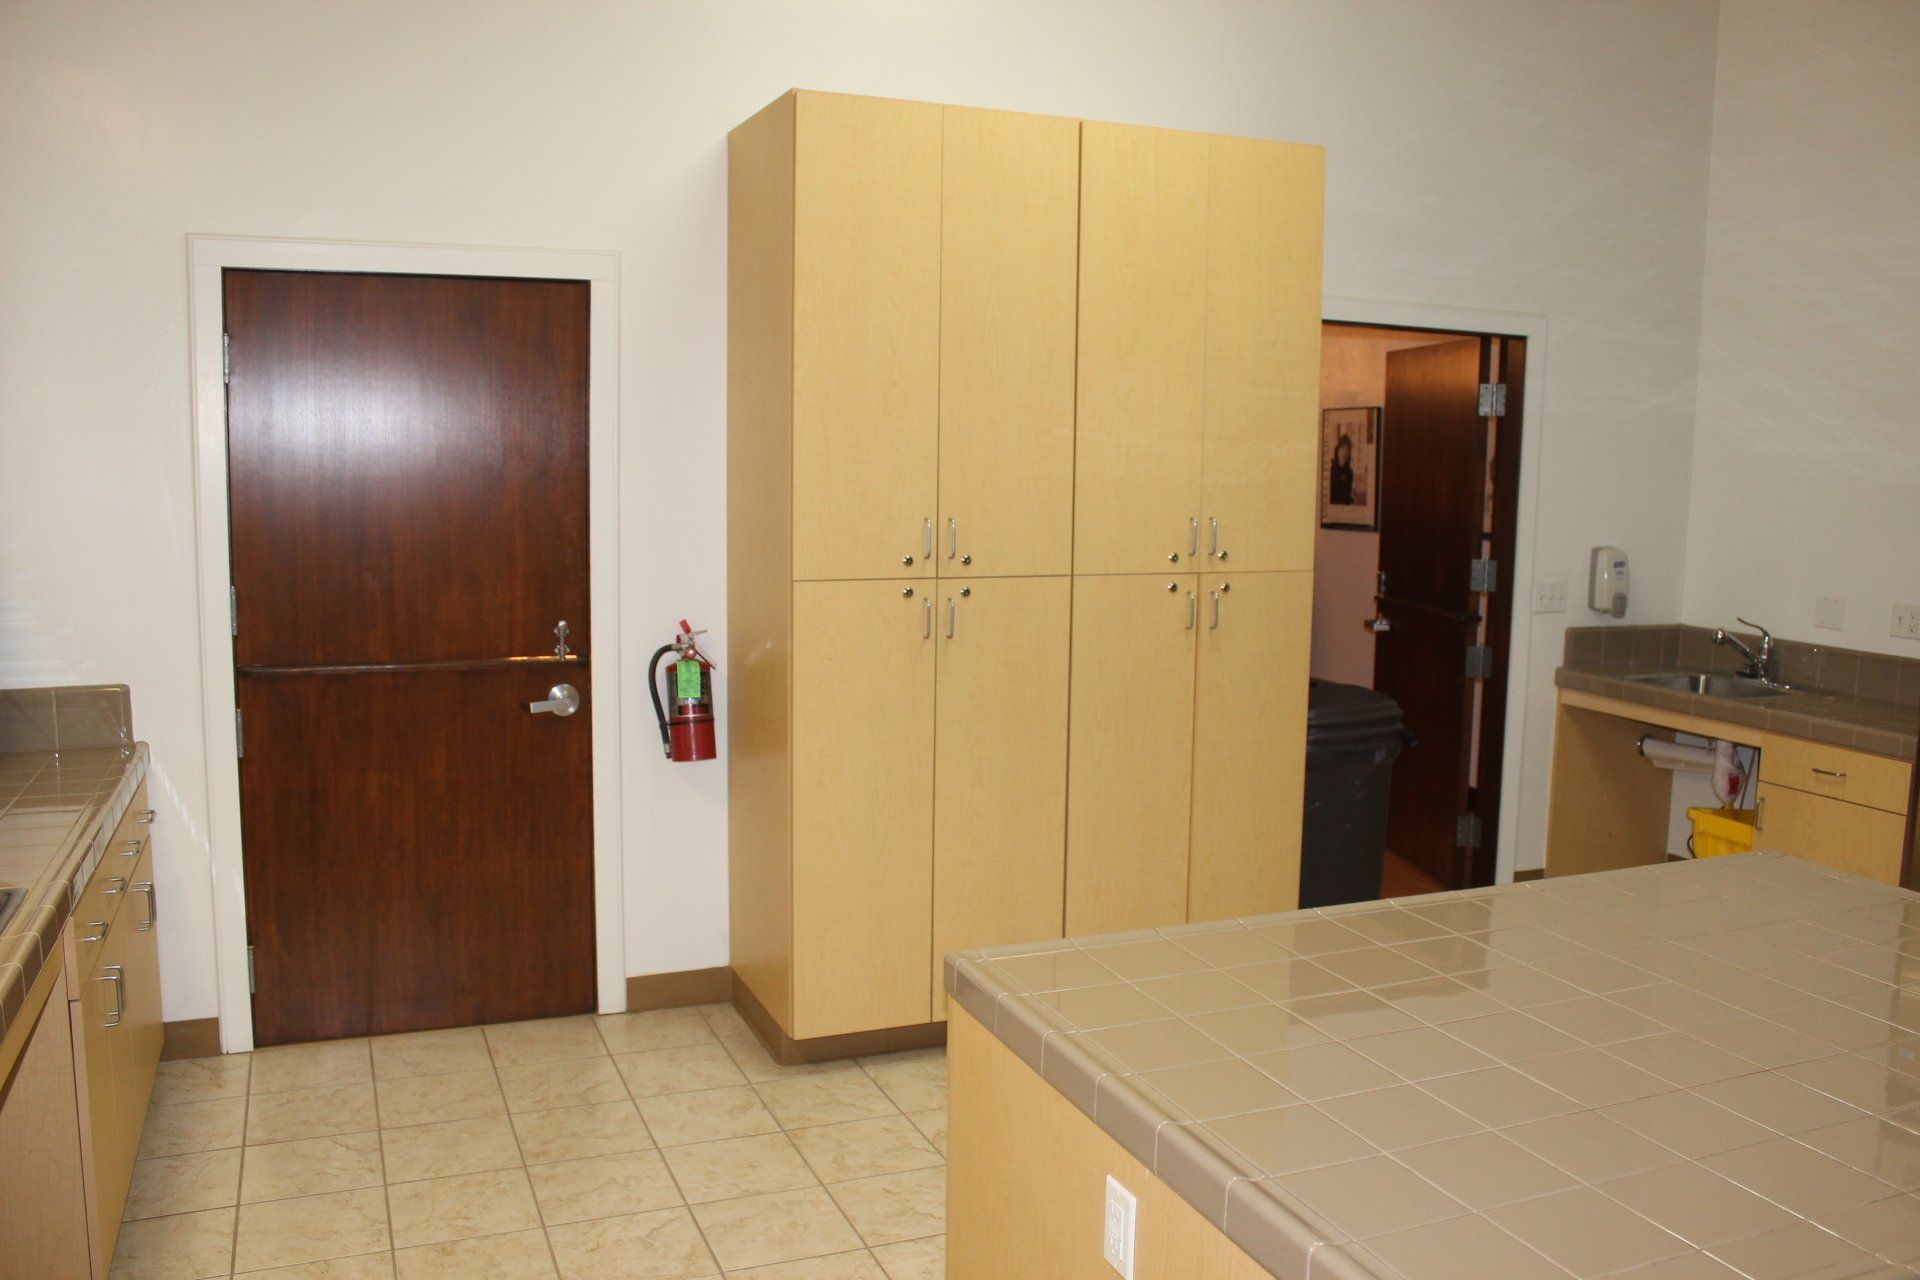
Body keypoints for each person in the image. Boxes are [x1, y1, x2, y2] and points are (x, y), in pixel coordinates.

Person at [1329, 434, 1356, 505]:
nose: (1345, 453)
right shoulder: (1330, 468)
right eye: (1343, 449)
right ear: (1337, 450)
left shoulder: (1349, 472)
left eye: (1348, 450)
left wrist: (1352, 496)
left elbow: (1348, 496)